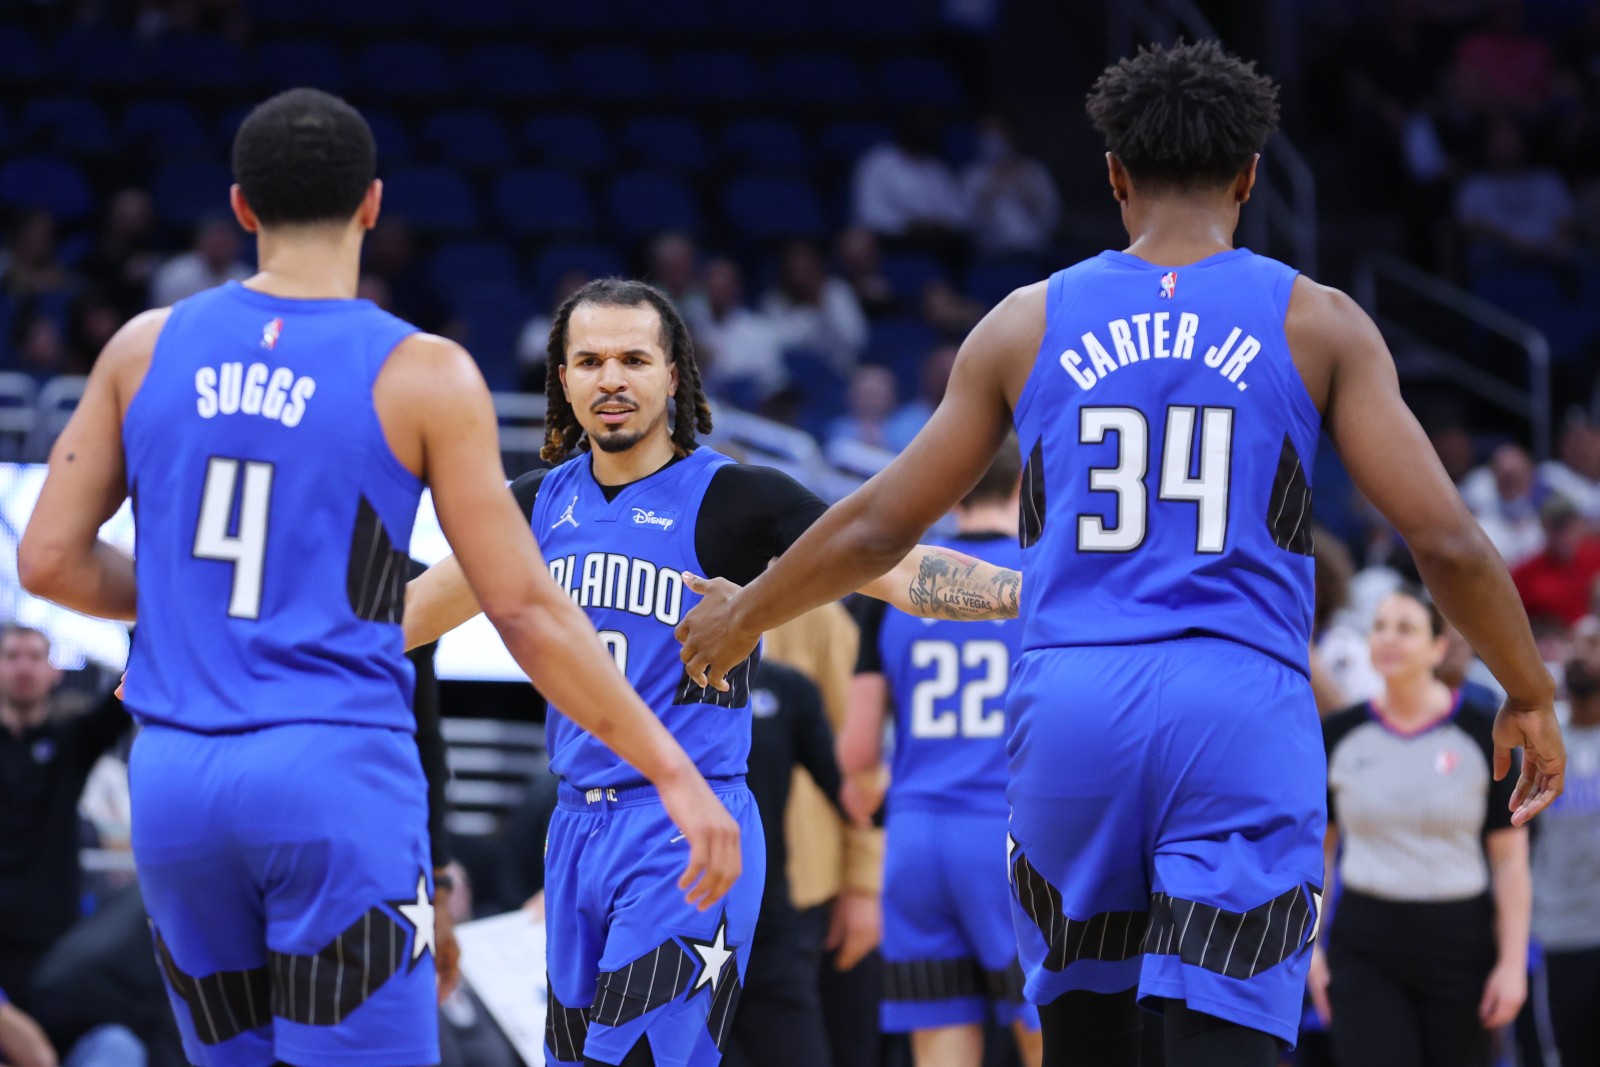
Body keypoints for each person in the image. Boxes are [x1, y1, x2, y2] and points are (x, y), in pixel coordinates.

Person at [674, 40, 1566, 1067]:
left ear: (1111, 176)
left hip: (1074, 705)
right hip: (1237, 702)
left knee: (1085, 1041)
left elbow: (878, 524)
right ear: (1249, 175)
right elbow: (1446, 538)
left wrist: (745, 614)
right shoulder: (1315, 319)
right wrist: (1526, 688)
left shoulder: (1023, 322)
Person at [16, 88, 739, 1067]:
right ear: (372, 205)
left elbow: (49, 560)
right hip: (330, 772)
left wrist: (203, 606)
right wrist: (672, 768)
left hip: (176, 776)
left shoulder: (143, 347)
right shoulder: (422, 370)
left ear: (239, 209)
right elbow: (524, 609)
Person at [401, 276, 1021, 1067]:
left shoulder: (735, 498)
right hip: (574, 830)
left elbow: (898, 568)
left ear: (673, 372)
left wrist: (1030, 593)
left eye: (633, 357)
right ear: (562, 379)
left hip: (682, 829)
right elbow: (402, 621)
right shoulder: (531, 507)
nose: (611, 379)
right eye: (588, 361)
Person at [839, 441, 1043, 1067]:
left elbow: (856, 751)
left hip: (916, 840)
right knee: (1052, 1037)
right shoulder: (1039, 582)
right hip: (1009, 836)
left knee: (941, 1044)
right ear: (1025, 490)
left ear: (953, 497)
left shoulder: (902, 587)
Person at [1311, 588, 1530, 1067]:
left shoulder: (1481, 731)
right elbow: (1319, 854)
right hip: (1365, 942)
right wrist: (1313, 951)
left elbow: (1510, 861)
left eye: (1406, 628)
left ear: (1437, 647)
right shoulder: (1339, 735)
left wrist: (1513, 966)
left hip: (1460, 941)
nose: (1389, 639)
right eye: (1380, 627)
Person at [0, 626, 128, 1010]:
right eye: (11, 656)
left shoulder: (72, 742)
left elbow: (127, 696)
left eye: (35, 657)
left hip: (52, 942)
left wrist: (137, 612)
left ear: (54, 671)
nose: (23, 668)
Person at [726, 658, 844, 1067]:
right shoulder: (650, 676)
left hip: (769, 928)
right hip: (672, 926)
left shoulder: (787, 687)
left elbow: (850, 796)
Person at [1532, 615, 1600, 1066]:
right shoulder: (1538, 745)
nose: (1579, 653)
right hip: (1559, 933)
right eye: (1574, 643)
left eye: (1593, 644)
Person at [147, 214, 251, 308]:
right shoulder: (175, 275)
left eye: (226, 241)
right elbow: (165, 317)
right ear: (200, 241)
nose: (220, 246)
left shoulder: (246, 277)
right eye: (215, 240)